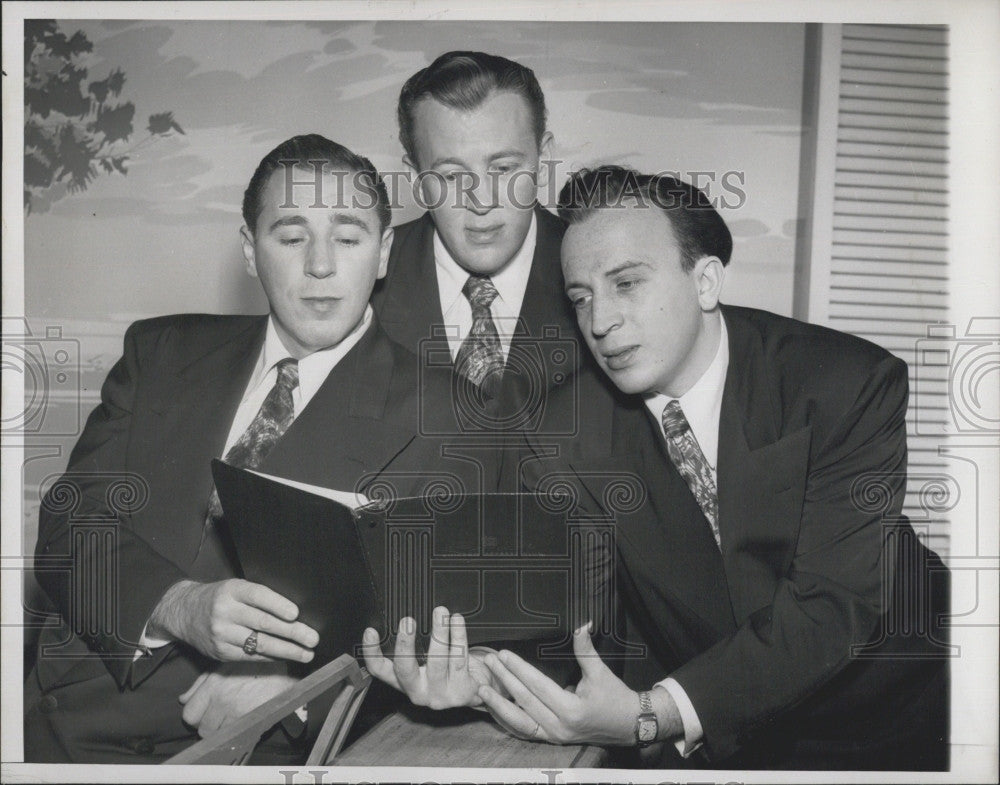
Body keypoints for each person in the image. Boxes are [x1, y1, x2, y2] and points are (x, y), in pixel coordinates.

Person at [367, 166, 951, 771]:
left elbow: (832, 605)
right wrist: (482, 680)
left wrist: (656, 713)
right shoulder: (560, 433)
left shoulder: (844, 383)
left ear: (704, 280)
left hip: (902, 712)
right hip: (721, 739)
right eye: (581, 297)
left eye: (626, 284)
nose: (599, 322)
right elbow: (577, 622)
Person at [25, 134, 464, 763]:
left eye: (348, 237)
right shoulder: (160, 352)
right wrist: (176, 604)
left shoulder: (448, 413)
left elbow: (454, 635)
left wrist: (299, 693)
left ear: (385, 252)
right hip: (52, 729)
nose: (320, 266)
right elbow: (70, 522)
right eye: (290, 237)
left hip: (241, 755)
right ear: (250, 252)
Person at [371, 50, 584, 490]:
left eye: (504, 168)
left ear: (543, 157)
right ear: (414, 176)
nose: (481, 201)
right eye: (450, 177)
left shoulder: (603, 275)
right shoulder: (361, 281)